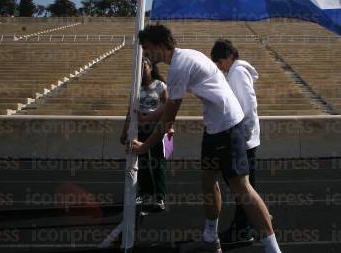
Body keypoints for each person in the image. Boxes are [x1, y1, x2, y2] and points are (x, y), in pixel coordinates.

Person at [126, 25, 281, 253]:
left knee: (242, 188)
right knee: (208, 182)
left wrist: (144, 147)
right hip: (214, 126)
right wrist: (148, 117)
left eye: (147, 48)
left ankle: (273, 249)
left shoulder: (179, 66)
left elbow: (169, 120)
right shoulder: (186, 56)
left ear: (160, 45)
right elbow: (169, 105)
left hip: (227, 126)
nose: (145, 54)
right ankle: (210, 238)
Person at [211, 39, 260, 247]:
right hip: (244, 138)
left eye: (221, 61)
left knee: (243, 188)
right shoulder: (234, 72)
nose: (220, 66)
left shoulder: (238, 72)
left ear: (229, 56)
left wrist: (245, 136)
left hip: (244, 140)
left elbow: (248, 105)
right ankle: (246, 225)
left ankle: (244, 229)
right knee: (244, 187)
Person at [120, 57, 172, 211]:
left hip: (155, 126)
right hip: (139, 127)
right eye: (139, 66)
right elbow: (130, 111)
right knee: (141, 161)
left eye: (145, 66)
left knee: (157, 161)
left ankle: (160, 196)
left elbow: (169, 108)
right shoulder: (135, 88)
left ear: (151, 67)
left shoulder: (160, 86)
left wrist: (169, 127)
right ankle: (144, 193)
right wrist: (124, 132)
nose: (142, 69)